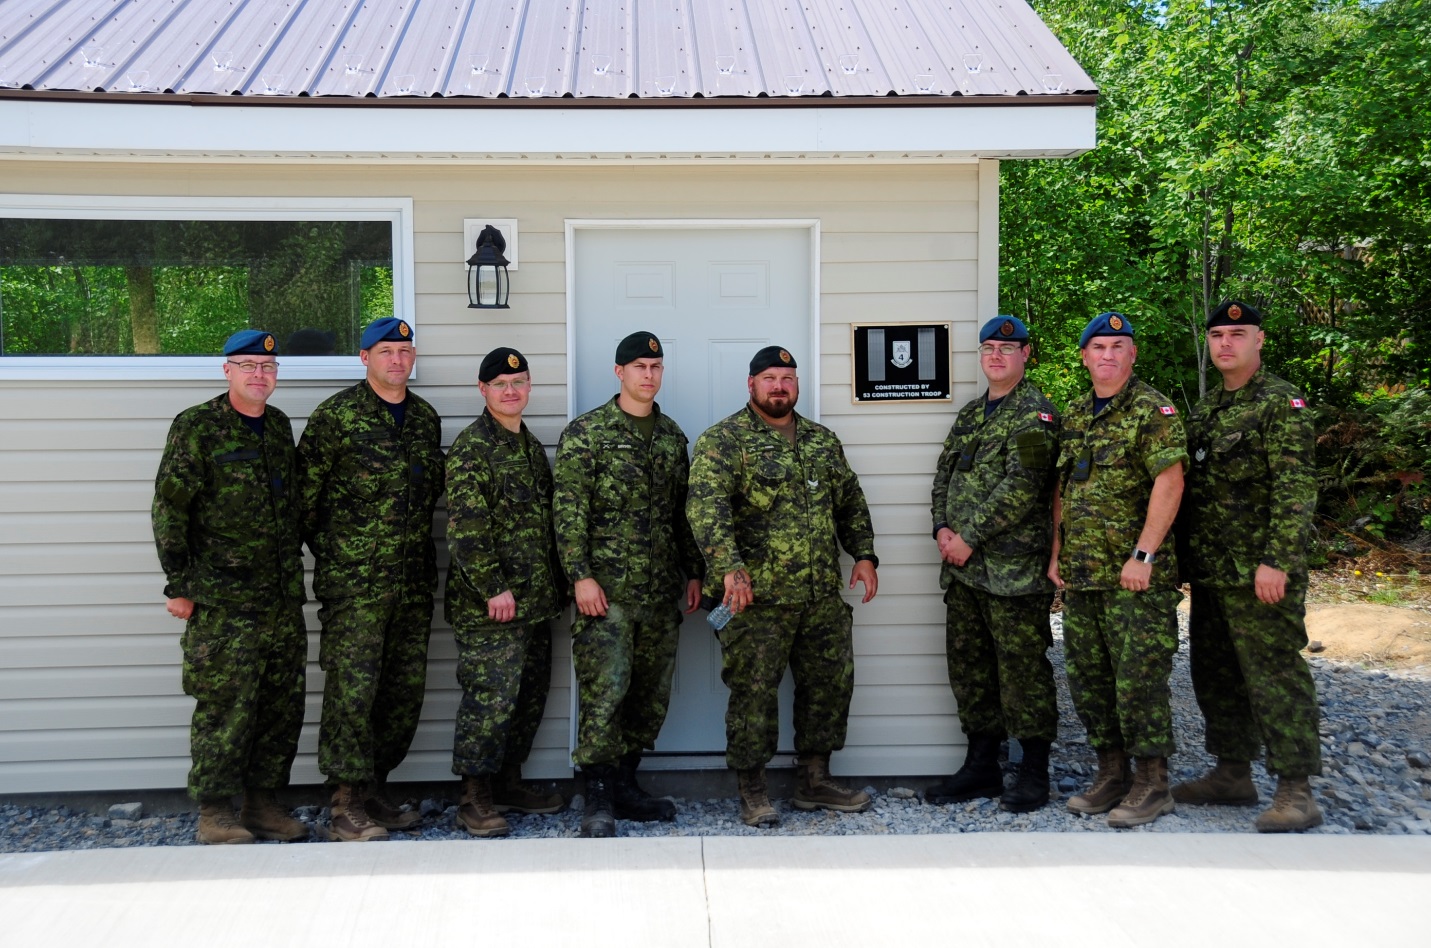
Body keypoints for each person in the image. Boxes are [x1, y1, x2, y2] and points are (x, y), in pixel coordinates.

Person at [687, 345, 879, 828]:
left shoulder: (821, 441)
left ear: (797, 384)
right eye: (769, 378)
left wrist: (864, 554)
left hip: (819, 595)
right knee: (753, 694)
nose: (779, 386)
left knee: (829, 686)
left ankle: (815, 780)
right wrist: (729, 567)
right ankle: (753, 790)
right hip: (754, 600)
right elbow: (707, 509)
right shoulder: (724, 440)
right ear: (751, 384)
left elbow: (850, 501)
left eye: (787, 378)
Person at [152, 329, 309, 845]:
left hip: (280, 597)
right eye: (247, 365)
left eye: (267, 367)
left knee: (280, 707)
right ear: (227, 371)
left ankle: (263, 805)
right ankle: (215, 812)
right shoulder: (197, 427)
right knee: (225, 706)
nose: (258, 374)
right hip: (223, 600)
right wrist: (179, 584)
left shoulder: (278, 426)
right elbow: (170, 509)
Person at [1174, 300, 1323, 832]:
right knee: (1216, 675)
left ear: (1259, 340)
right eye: (1217, 335)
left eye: (1237, 334)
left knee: (1275, 677)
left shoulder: (1281, 403)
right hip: (1213, 573)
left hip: (1261, 575)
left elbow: (1296, 487)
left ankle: (1297, 790)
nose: (1226, 344)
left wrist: (1277, 560)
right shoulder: (1206, 410)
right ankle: (1232, 774)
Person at [298, 316, 445, 842]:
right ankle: (345, 802)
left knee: (401, 694)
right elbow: (304, 502)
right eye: (386, 352)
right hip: (355, 586)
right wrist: (341, 557)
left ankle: (375, 789)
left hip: (411, 583)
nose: (397, 360)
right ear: (365, 358)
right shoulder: (336, 417)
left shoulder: (424, 419)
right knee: (352, 693)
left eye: (405, 351)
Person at [552, 331, 703, 838]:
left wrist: (694, 571)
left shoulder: (671, 436)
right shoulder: (587, 433)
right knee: (606, 691)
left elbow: (682, 515)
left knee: (648, 694)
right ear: (620, 372)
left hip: (659, 592)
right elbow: (568, 512)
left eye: (656, 367)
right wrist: (580, 576)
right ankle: (597, 793)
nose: (649, 375)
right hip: (607, 594)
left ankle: (625, 784)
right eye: (640, 367)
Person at [1049, 312, 1187, 828]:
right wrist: (1057, 551)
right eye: (1098, 347)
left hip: (1136, 577)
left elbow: (1170, 481)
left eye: (1117, 346)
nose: (1107, 355)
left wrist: (1144, 554)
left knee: (1140, 679)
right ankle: (1111, 775)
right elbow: (1065, 488)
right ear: (1084, 357)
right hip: (1084, 574)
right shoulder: (1075, 413)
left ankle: (1153, 784)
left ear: (1132, 354)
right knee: (1090, 680)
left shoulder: (1152, 410)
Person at [927, 316, 1061, 813]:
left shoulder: (1036, 415)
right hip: (964, 573)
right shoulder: (970, 415)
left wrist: (969, 538)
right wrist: (941, 528)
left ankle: (1034, 772)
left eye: (1007, 348)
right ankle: (982, 765)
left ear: (1026, 354)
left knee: (1023, 672)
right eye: (988, 348)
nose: (996, 356)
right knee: (971, 670)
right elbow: (944, 475)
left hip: (1012, 575)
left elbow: (1023, 488)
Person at [445, 347, 566, 837]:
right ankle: (474, 797)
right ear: (483, 390)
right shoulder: (473, 448)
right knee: (489, 700)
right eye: (500, 384)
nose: (510, 391)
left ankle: (508, 783)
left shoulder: (529, 446)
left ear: (529, 386)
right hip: (491, 607)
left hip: (535, 605)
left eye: (518, 383)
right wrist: (494, 587)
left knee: (527, 699)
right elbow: (466, 529)